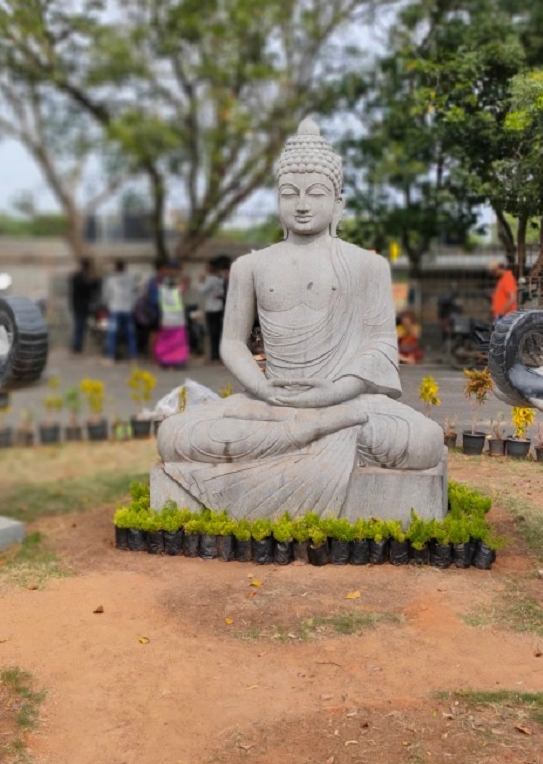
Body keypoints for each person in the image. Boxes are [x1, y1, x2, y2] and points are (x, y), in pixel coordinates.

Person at [156, 118, 444, 518]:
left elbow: (381, 346)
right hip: (272, 403)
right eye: (290, 193)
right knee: (174, 435)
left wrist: (331, 394)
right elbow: (233, 342)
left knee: (423, 441)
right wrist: (262, 388)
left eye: (316, 193)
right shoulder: (250, 267)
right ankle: (314, 432)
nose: (302, 204)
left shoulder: (368, 266)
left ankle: (312, 430)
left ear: (338, 204)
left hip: (345, 400)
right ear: (277, 200)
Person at [153, 264, 189, 369]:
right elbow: (185, 282)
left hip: (166, 321)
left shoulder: (161, 290)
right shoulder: (179, 290)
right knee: (178, 343)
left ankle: (165, 360)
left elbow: (156, 283)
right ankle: (179, 360)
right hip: (178, 321)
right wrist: (178, 272)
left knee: (165, 342)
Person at [103, 260, 138, 362]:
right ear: (124, 267)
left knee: (112, 334)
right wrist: (132, 305)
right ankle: (133, 356)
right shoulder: (130, 278)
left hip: (115, 309)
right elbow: (135, 293)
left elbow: (106, 295)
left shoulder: (111, 279)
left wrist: (108, 305)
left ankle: (110, 356)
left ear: (116, 267)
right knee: (130, 333)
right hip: (128, 310)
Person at [200, 255, 231, 363]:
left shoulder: (210, 279)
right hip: (220, 308)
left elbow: (202, 291)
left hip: (211, 309)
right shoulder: (221, 278)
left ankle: (214, 356)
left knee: (212, 333)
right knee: (218, 332)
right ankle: (217, 355)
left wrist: (201, 281)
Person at [69, 257, 99, 354]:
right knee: (79, 326)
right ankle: (77, 346)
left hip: (81, 306)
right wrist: (95, 282)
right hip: (80, 306)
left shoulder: (80, 277)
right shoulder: (79, 278)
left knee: (80, 327)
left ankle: (78, 346)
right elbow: (86, 287)